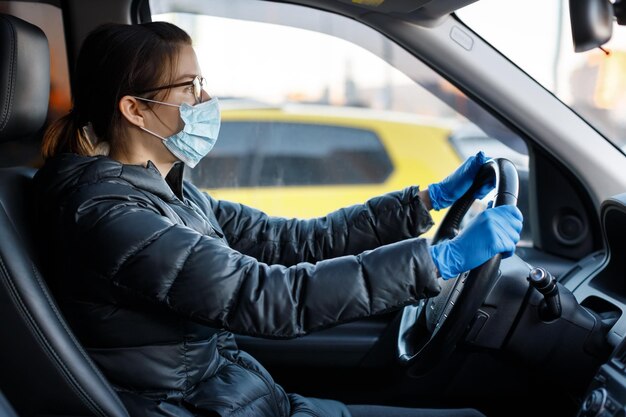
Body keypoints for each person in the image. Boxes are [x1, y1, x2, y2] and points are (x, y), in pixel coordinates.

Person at [33, 21, 523, 417]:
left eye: (202, 83)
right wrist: (439, 260)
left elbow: (293, 240)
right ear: (135, 110)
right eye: (188, 87)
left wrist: (425, 201)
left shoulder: (173, 195)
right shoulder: (108, 215)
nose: (206, 102)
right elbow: (270, 298)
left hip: (242, 398)